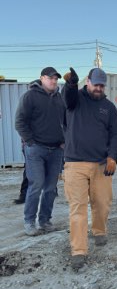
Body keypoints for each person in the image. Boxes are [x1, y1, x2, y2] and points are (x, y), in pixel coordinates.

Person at [62, 67, 117, 269]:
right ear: (87, 82)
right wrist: (71, 84)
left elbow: (116, 133)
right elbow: (67, 98)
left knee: (102, 203)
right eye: (95, 84)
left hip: (100, 164)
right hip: (74, 163)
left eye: (101, 85)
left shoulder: (109, 107)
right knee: (77, 207)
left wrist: (113, 156)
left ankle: (99, 230)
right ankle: (78, 250)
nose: (98, 88)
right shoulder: (75, 100)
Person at [15, 67, 65, 236]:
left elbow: (66, 121)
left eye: (55, 78)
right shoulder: (30, 96)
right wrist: (30, 142)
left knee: (51, 188)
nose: (53, 81)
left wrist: (64, 140)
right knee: (36, 185)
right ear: (42, 78)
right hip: (36, 150)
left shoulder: (59, 98)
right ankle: (29, 222)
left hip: (56, 150)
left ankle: (45, 220)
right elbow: (20, 121)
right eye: (50, 78)